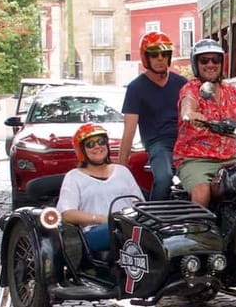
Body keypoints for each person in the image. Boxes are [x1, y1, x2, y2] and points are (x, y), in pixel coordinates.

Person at [173, 38, 236, 207]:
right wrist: (191, 114)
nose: (210, 64)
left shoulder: (231, 91)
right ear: (196, 64)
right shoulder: (191, 89)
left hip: (231, 158)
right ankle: (198, 231)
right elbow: (187, 105)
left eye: (215, 60)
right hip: (196, 160)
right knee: (202, 193)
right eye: (204, 60)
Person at [119, 32, 187, 201]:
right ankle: (154, 220)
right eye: (154, 54)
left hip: (186, 141)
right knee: (164, 178)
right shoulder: (136, 88)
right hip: (158, 143)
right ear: (145, 57)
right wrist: (121, 165)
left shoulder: (182, 83)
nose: (160, 58)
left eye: (164, 54)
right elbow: (129, 128)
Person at [57, 123, 144, 252]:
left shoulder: (123, 171)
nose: (97, 146)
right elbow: (67, 214)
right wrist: (103, 219)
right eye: (90, 144)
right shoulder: (74, 177)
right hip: (95, 231)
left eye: (101, 141)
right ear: (82, 150)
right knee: (126, 231)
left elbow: (140, 204)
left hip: (130, 226)